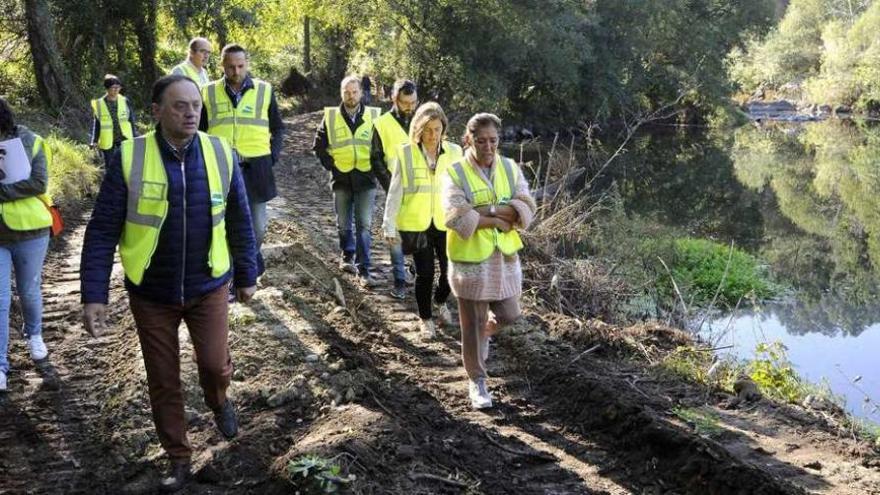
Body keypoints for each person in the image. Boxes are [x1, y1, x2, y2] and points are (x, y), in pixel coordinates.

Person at [80, 75, 258, 492]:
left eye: (195, 104)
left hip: (208, 284)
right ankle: (178, 457)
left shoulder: (221, 153)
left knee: (214, 365)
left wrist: (248, 273)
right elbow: (102, 230)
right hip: (152, 292)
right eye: (179, 106)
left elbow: (239, 219)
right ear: (157, 111)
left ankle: (218, 399)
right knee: (163, 379)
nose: (191, 112)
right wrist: (94, 294)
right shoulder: (129, 157)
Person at [441, 113, 536, 410]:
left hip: (504, 259)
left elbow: (526, 205)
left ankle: (482, 337)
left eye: (493, 140)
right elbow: (456, 215)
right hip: (470, 263)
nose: (488, 146)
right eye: (481, 141)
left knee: (509, 314)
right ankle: (477, 382)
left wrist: (486, 210)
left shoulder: (509, 168)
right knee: (473, 322)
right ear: (469, 140)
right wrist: (498, 218)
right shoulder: (455, 172)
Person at [200, 43, 284, 280]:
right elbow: (200, 131)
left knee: (257, 227)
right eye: (230, 67)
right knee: (223, 224)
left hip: (257, 168)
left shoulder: (265, 90)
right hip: (221, 168)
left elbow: (278, 128)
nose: (236, 72)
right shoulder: (207, 92)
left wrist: (272, 156)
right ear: (222, 66)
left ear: (247, 63)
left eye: (240, 66)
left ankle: (249, 260)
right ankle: (234, 275)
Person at [382, 102, 462, 337]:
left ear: (443, 129)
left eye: (437, 129)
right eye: (427, 129)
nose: (433, 135)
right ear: (418, 129)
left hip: (447, 222)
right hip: (416, 223)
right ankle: (425, 319)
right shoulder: (406, 153)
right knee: (425, 273)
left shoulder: (455, 152)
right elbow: (395, 191)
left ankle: (440, 300)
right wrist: (389, 224)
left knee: (451, 272)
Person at [0, 97, 53, 392]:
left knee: (29, 291)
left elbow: (39, 183)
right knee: (0, 300)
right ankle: (0, 365)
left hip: (31, 231)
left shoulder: (30, 140)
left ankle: (34, 335)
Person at [313, 75, 382, 287]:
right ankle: (347, 255)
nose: (350, 96)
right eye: (346, 92)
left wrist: (376, 169)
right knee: (344, 225)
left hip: (365, 179)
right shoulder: (331, 117)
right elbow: (318, 146)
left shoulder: (374, 116)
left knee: (364, 225)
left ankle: (364, 270)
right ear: (341, 93)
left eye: (354, 92)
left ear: (361, 93)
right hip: (341, 179)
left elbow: (381, 148)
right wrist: (331, 165)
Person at [371, 79, 419, 299]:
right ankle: (400, 281)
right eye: (405, 103)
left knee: (422, 234)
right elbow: (376, 159)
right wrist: (391, 187)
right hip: (395, 187)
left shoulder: (422, 122)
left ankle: (416, 271)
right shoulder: (382, 124)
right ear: (394, 99)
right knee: (395, 234)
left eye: (413, 102)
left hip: (422, 189)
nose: (410, 107)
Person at [90, 74, 137, 168]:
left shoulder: (124, 101)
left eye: (118, 87)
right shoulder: (99, 104)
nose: (116, 90)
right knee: (110, 166)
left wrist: (134, 136)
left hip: (124, 137)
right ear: (107, 88)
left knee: (126, 165)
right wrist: (94, 140)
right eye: (113, 87)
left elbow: (131, 120)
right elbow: (98, 123)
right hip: (107, 140)